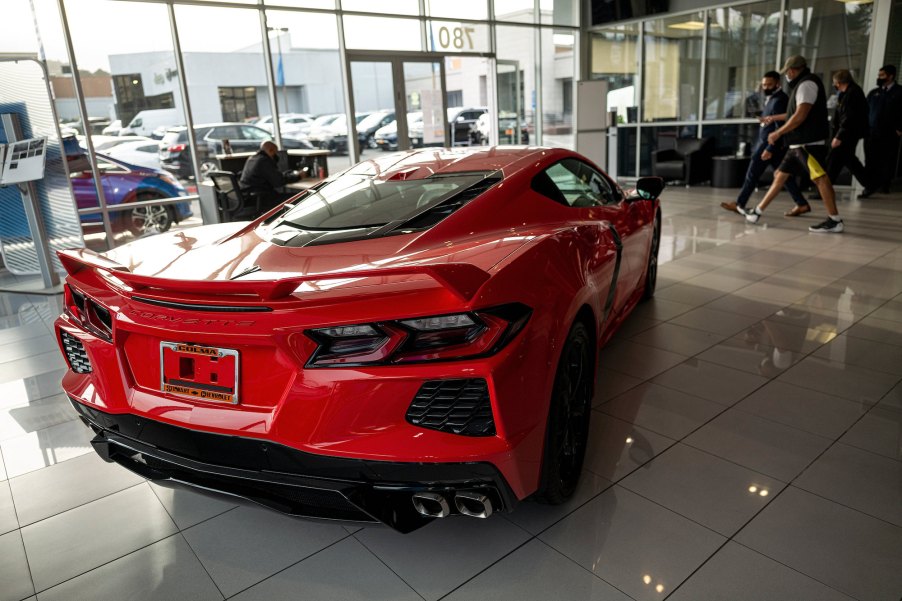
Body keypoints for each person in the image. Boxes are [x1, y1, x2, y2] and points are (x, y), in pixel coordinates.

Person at [744, 55, 844, 233]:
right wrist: (773, 118)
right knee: (780, 176)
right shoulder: (801, 85)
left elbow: (800, 116)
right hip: (797, 144)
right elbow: (793, 114)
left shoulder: (806, 85)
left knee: (820, 179)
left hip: (807, 143)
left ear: (791, 71)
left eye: (787, 73)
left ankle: (834, 219)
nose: (787, 76)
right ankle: (757, 212)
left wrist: (778, 132)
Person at [720, 71, 810, 216]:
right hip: (771, 144)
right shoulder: (773, 98)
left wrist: (769, 148)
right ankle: (802, 204)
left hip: (769, 144)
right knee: (783, 176)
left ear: (777, 84)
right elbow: (773, 120)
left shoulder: (780, 99)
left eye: (769, 84)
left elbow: (780, 126)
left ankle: (740, 204)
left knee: (752, 174)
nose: (765, 87)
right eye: (763, 84)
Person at [861, 65, 902, 197]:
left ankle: (884, 185)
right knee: (870, 159)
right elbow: (865, 111)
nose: (879, 78)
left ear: (891, 76)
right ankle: (870, 185)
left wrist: (899, 129)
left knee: (887, 160)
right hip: (872, 132)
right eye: (879, 75)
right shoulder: (874, 93)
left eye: (882, 75)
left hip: (889, 133)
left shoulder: (899, 92)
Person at [239, 141, 300, 213]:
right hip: (262, 199)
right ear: (271, 150)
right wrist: (298, 176)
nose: (276, 155)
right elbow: (279, 182)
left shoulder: (252, 158)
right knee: (299, 197)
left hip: (250, 197)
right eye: (276, 152)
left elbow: (273, 176)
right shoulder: (264, 161)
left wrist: (287, 174)